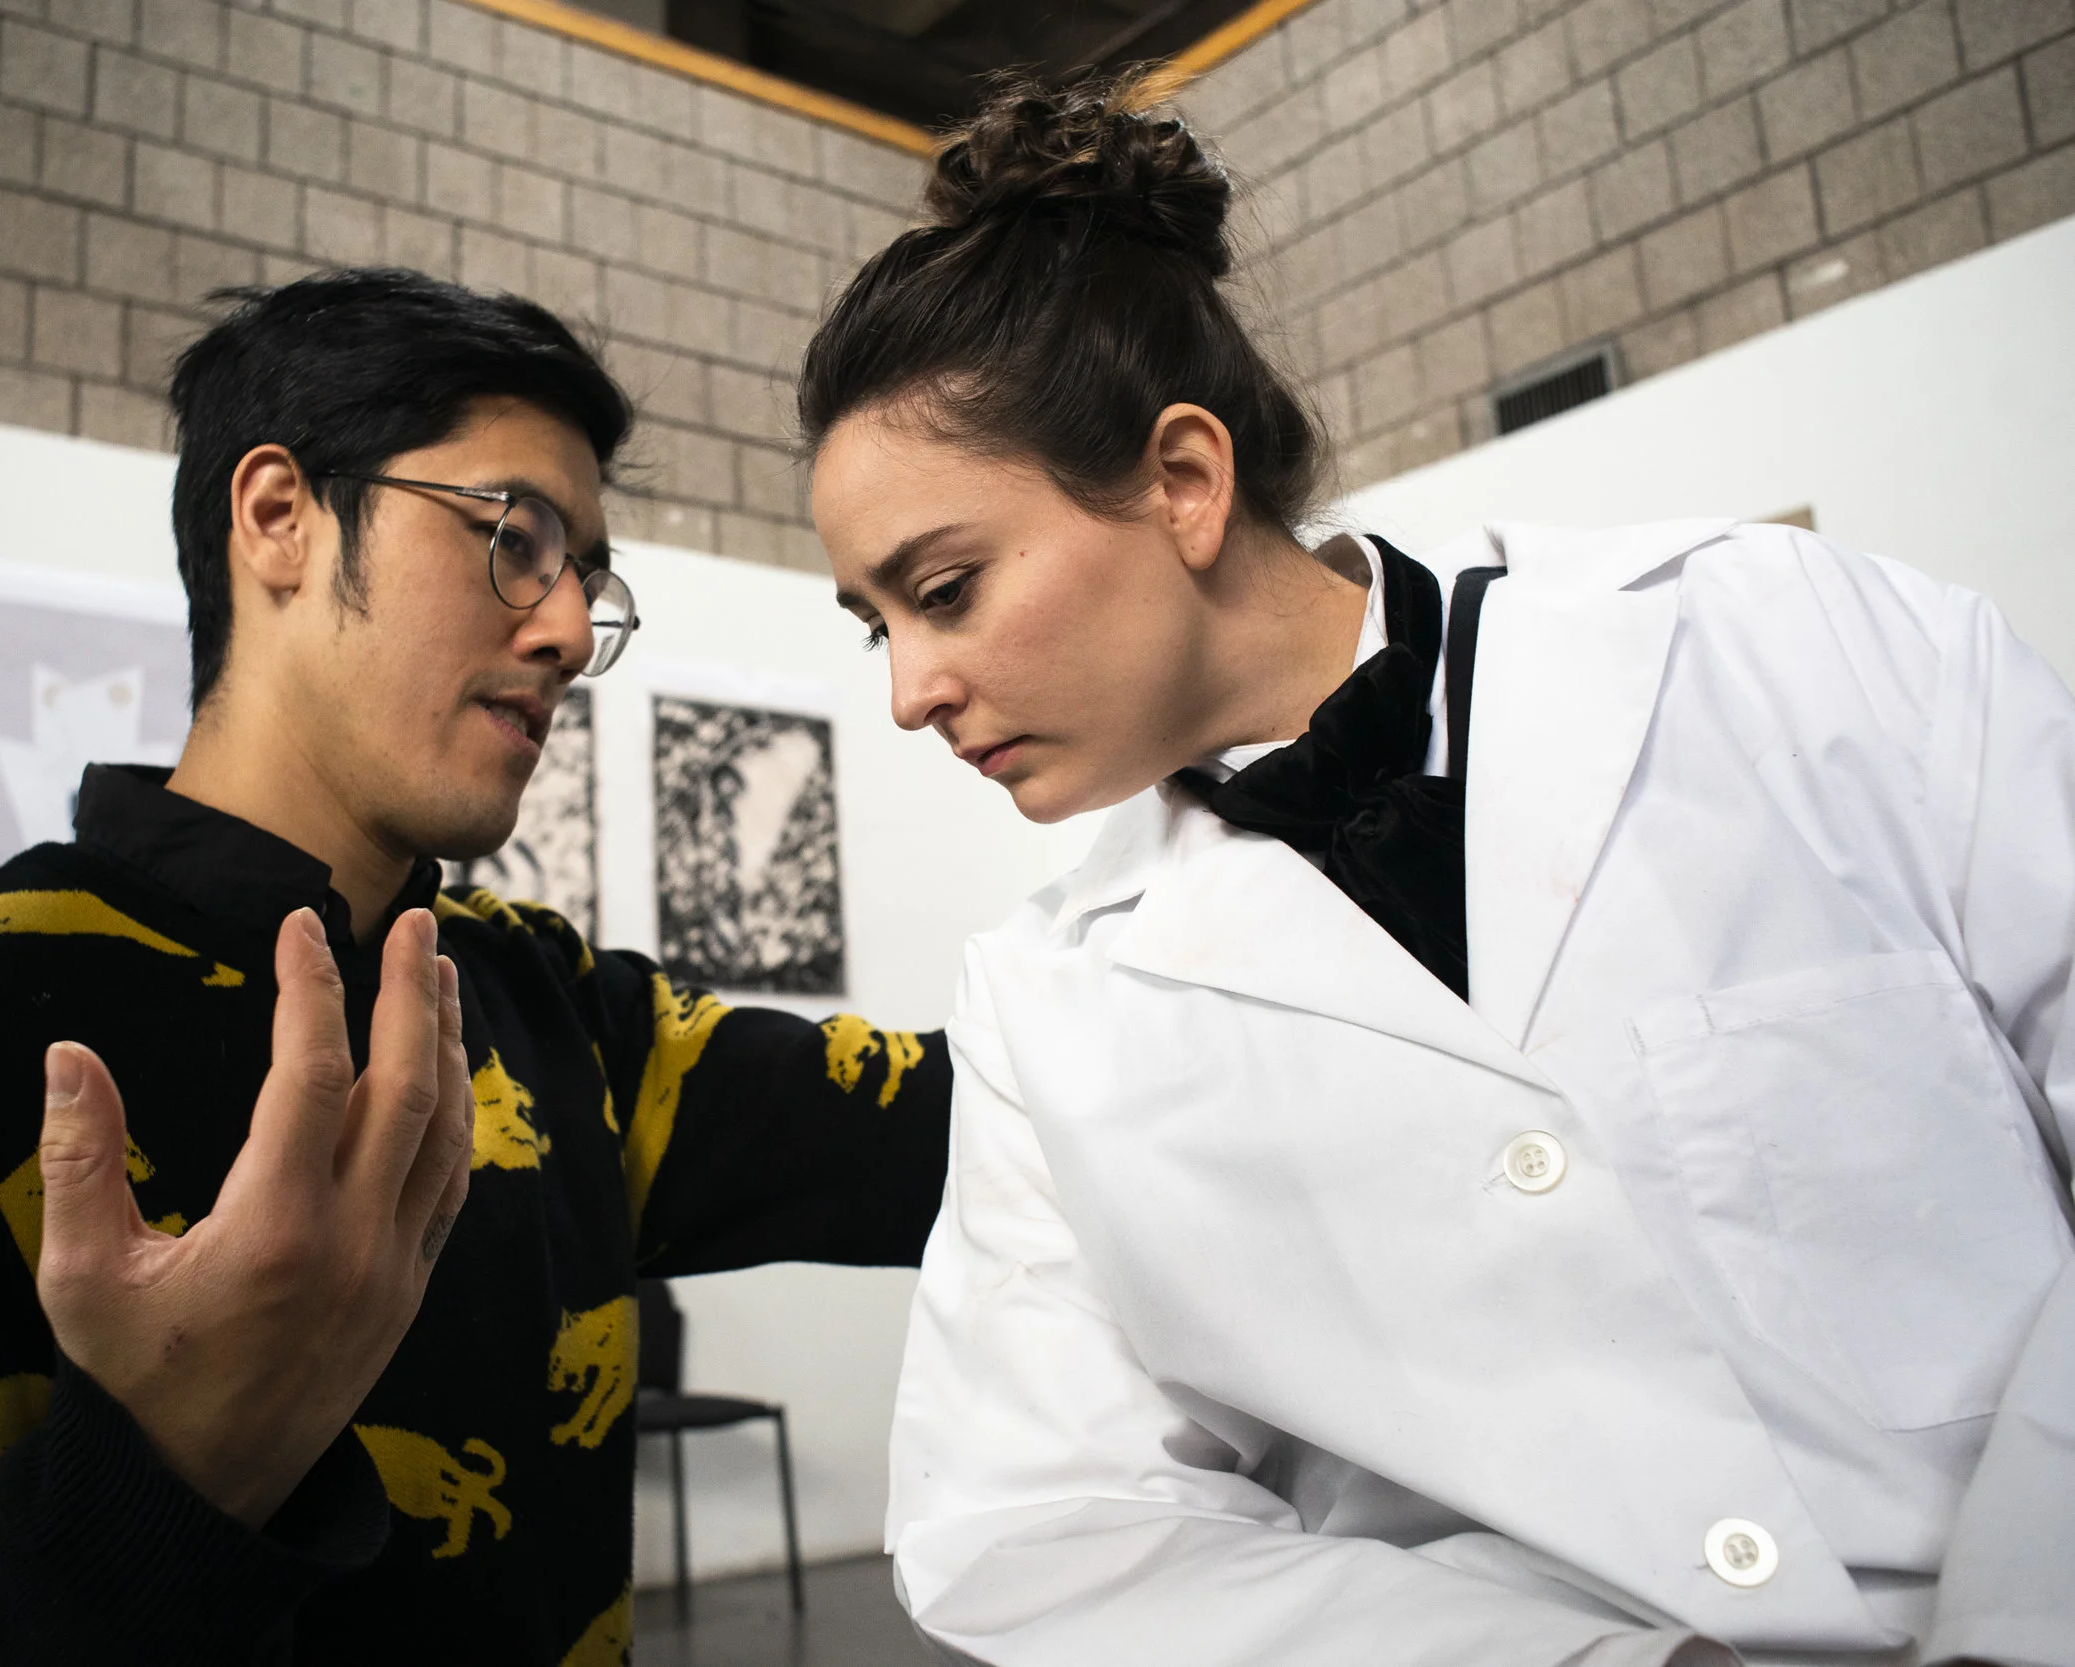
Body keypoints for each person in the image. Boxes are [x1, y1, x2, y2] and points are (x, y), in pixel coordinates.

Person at [801, 73, 2074, 1667]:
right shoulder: (1042, 1010)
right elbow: (1038, 1522)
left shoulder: (1781, 638)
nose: (909, 691)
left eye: (944, 590)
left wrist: (2023, 1614)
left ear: (1184, 483)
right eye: (876, 626)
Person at [0, 269, 952, 1667]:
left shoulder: (545, 1011)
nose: (560, 631)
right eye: (516, 537)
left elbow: (981, 1126)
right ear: (281, 517)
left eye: (586, 579)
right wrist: (159, 1483)